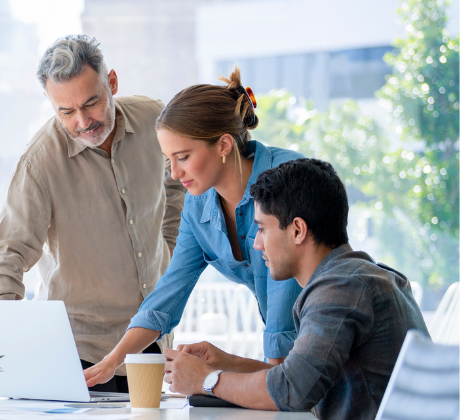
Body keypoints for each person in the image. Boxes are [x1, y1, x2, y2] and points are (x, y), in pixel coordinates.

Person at [0, 35, 186, 393]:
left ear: (113, 83)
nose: (83, 122)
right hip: (80, 354)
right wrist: (17, 348)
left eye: (91, 103)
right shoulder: (40, 162)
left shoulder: (155, 118)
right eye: (66, 111)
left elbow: (177, 183)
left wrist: (167, 246)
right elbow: (3, 260)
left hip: (150, 341)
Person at [84, 67, 306, 387]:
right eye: (168, 160)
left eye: (184, 157)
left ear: (224, 145)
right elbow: (167, 296)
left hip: (330, 343)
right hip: (293, 362)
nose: (174, 174)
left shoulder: (286, 179)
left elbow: (284, 315)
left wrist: (242, 384)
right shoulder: (198, 204)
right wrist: (111, 362)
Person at [162, 158, 429, 420]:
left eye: (263, 229)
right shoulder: (359, 276)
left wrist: (206, 380)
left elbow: (293, 390)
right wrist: (227, 364)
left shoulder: (341, 288)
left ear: (298, 230)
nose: (257, 245)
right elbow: (303, 378)